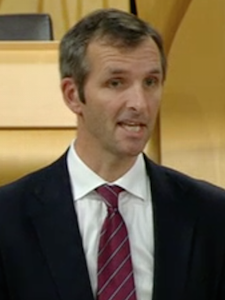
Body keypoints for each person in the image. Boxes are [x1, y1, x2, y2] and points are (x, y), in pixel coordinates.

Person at [0, 8, 225, 300]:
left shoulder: (212, 215)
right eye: (116, 83)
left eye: (150, 82)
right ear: (73, 95)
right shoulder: (8, 218)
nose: (140, 104)